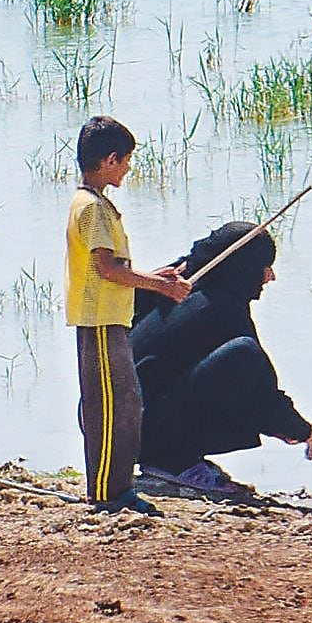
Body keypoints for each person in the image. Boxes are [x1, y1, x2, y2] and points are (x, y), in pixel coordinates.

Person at [130, 221, 312, 497]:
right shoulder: (219, 308)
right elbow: (263, 391)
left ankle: (174, 458)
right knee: (245, 354)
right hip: (141, 433)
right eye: (265, 265)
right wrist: (306, 433)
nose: (270, 276)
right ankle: (172, 462)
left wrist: (288, 426)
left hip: (120, 429)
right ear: (245, 268)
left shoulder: (183, 292)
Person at [65, 117, 187, 515]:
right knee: (109, 407)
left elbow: (115, 267)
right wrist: (161, 287)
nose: (129, 168)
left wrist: (157, 275)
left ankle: (120, 489)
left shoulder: (98, 205)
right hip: (99, 321)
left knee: (128, 403)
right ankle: (106, 494)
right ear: (110, 159)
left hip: (112, 319)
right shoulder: (92, 209)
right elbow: (108, 270)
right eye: (126, 160)